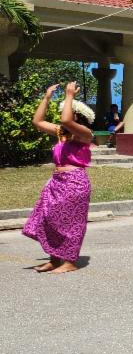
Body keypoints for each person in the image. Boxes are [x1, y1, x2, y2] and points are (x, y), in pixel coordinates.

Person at [23, 83, 94, 274]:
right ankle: (54, 259)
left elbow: (66, 120)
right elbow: (37, 122)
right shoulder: (62, 134)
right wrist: (46, 98)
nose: (63, 117)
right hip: (57, 182)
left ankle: (70, 261)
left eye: (69, 112)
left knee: (70, 222)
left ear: (77, 117)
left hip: (75, 183)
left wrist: (69, 95)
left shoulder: (85, 135)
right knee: (49, 218)